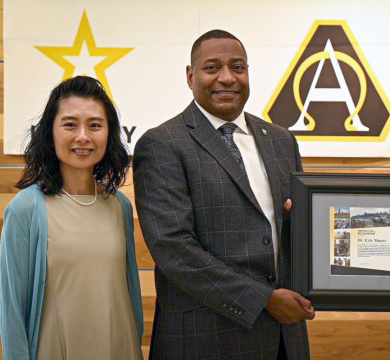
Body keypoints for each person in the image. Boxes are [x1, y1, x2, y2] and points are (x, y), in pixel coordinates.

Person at [133, 29, 314, 360]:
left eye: (238, 67)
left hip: (284, 340)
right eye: (212, 67)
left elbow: (297, 229)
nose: (227, 78)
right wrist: (263, 300)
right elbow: (174, 249)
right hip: (204, 339)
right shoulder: (162, 144)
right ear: (190, 76)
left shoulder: (280, 140)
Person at [0, 76, 143, 360]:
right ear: (50, 134)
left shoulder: (119, 206)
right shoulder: (26, 209)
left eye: (94, 125)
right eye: (69, 124)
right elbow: (13, 309)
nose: (83, 137)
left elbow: (128, 294)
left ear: (109, 134)